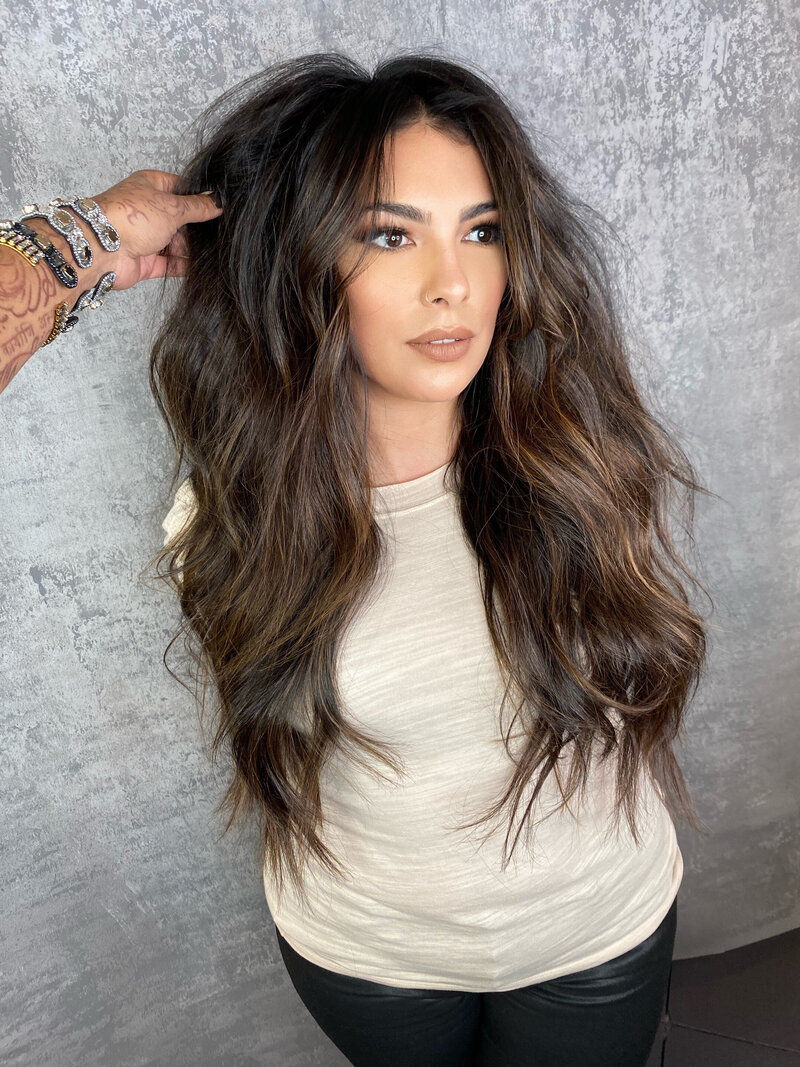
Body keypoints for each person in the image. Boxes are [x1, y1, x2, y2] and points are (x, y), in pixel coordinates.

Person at [1, 51, 712, 1067]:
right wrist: (77, 244)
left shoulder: (581, 462)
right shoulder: (232, 516)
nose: (452, 284)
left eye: (482, 230)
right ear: (299, 262)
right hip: (370, 955)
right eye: (388, 234)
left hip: (590, 933)